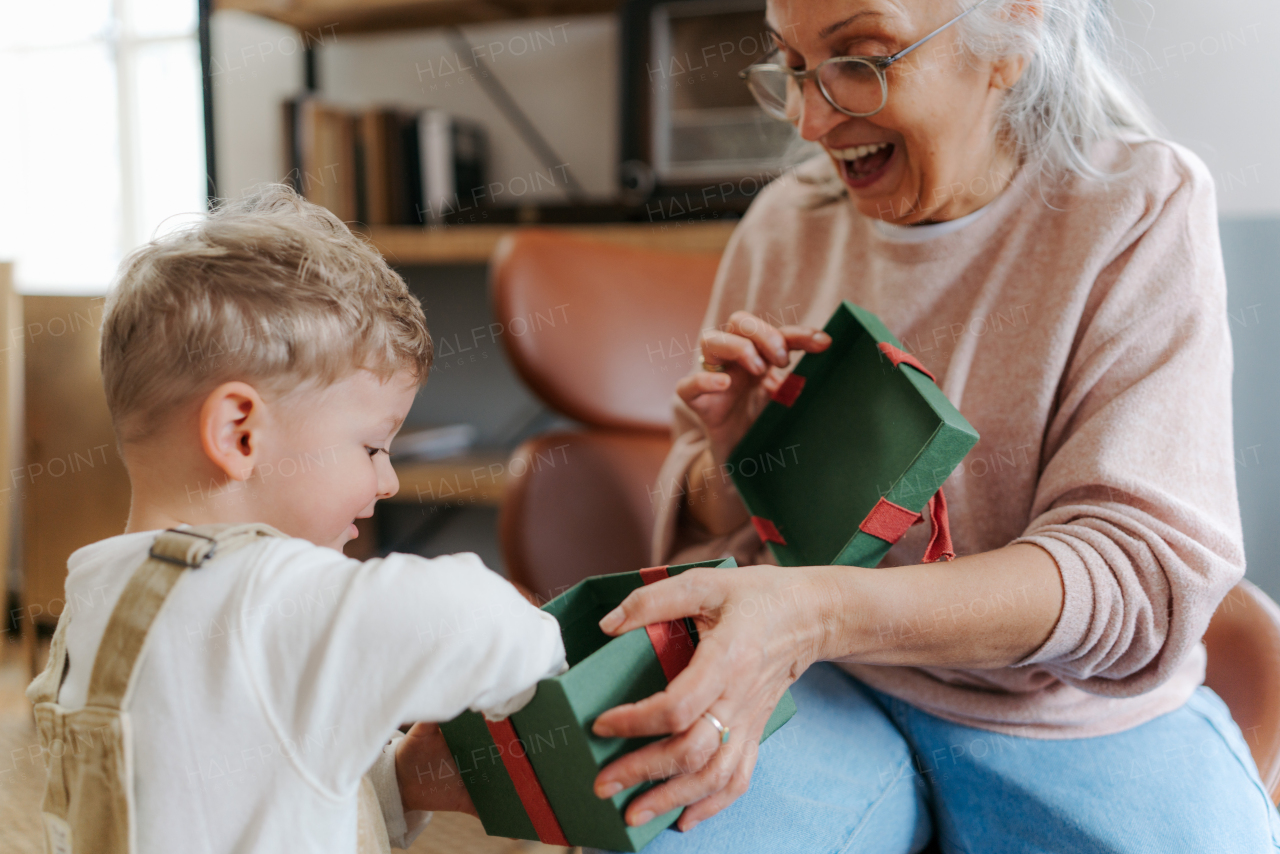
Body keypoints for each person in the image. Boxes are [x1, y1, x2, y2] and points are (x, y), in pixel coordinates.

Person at [585, 0, 1280, 851]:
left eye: (860, 59)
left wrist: (818, 611)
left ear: (1013, 39)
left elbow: (1130, 574)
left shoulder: (1137, 207)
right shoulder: (784, 224)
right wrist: (739, 464)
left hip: (1066, 713)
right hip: (823, 682)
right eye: (793, 67)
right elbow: (716, 524)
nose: (810, 119)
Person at [26, 186, 565, 852]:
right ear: (241, 434)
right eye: (371, 446)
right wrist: (553, 647)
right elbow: (473, 618)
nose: (387, 480)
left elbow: (237, 790)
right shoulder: (268, 589)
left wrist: (401, 784)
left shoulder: (91, 601)